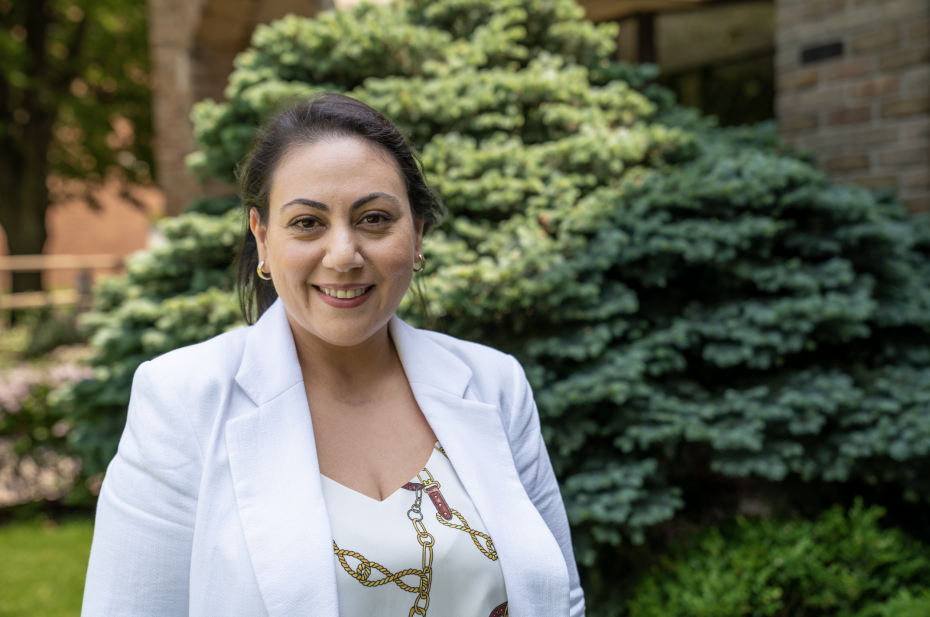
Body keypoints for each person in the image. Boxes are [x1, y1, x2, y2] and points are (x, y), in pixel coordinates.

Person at [81, 93, 584, 617]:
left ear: (417, 234)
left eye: (374, 218)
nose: (343, 255)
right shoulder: (183, 399)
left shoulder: (495, 384)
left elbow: (560, 599)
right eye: (307, 222)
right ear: (263, 239)